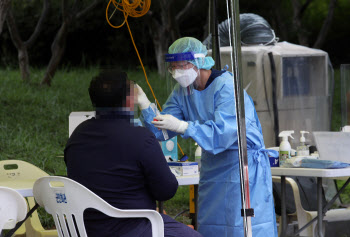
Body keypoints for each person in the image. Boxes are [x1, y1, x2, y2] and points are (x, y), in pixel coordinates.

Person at [136, 37, 278, 237]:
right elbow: (161, 132)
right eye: (173, 67)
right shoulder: (183, 91)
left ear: (198, 62)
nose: (176, 72)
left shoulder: (227, 88)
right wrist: (144, 104)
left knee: (242, 229)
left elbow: (223, 134)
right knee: (211, 228)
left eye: (180, 65)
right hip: (213, 170)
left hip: (241, 168)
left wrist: (184, 126)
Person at [64, 70, 202, 237]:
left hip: (84, 228)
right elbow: (166, 190)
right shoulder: (141, 138)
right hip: (133, 228)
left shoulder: (77, 135)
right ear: (130, 101)